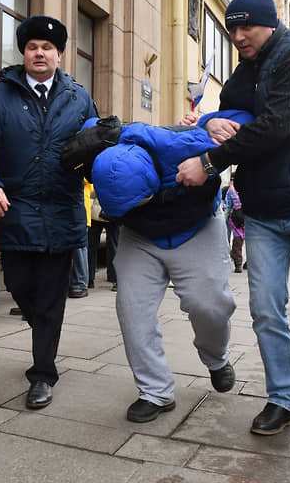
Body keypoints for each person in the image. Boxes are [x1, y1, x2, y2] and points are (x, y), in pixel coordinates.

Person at [176, 0, 290, 441]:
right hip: (263, 210)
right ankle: (283, 398)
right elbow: (225, 116)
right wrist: (206, 124)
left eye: (245, 27)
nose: (236, 36)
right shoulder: (243, 73)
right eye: (231, 28)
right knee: (265, 308)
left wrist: (211, 160)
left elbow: (275, 126)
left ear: (270, 22)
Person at [65, 112, 240, 423]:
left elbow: (240, 126)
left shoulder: (187, 144)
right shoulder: (98, 149)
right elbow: (89, 127)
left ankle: (217, 359)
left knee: (210, 305)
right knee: (132, 309)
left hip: (196, 226)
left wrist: (211, 120)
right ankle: (155, 391)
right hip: (141, 237)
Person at [0, 15, 97, 409]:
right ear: (24, 53)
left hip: (62, 210)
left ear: (59, 54)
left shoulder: (78, 96)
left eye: (48, 48)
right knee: (20, 288)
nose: (40, 53)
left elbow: (94, 147)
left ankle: (42, 374)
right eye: (33, 47)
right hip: (15, 209)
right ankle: (42, 329)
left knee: (52, 298)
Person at [87, 185, 118, 291]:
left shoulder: (98, 169)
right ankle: (114, 278)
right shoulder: (121, 170)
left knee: (91, 246)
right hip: (113, 212)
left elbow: (92, 192)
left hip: (96, 211)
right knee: (114, 245)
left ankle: (89, 279)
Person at [68, 181, 91, 298]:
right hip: (68, 211)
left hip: (79, 212)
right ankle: (74, 283)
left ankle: (80, 284)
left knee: (79, 248)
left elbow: (90, 183)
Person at [225, 177, 245, 273]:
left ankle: (238, 264)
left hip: (236, 218)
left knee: (237, 241)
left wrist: (225, 218)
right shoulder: (248, 186)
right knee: (253, 242)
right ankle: (248, 263)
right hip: (250, 217)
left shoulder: (231, 190)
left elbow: (227, 206)